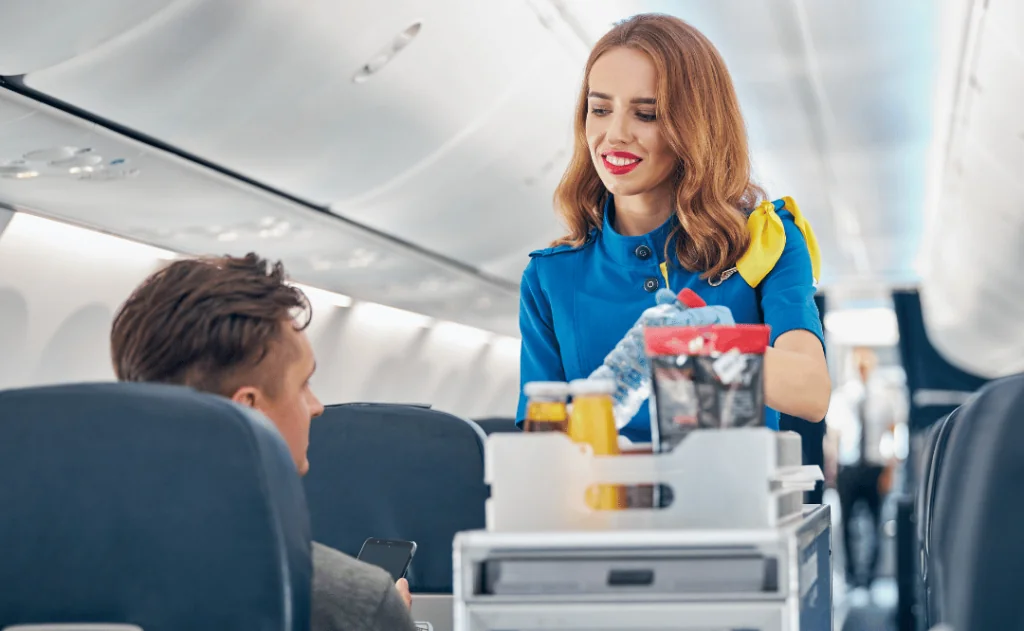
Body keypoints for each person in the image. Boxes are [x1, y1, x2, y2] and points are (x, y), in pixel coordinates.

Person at [517, 13, 831, 442]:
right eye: (600, 109)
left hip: (731, 502)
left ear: (696, 126)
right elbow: (543, 438)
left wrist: (710, 342)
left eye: (646, 114)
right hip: (601, 504)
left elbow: (811, 393)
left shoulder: (762, 244)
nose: (615, 134)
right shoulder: (550, 277)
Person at [109, 253, 416, 631]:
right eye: (303, 384)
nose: (316, 407)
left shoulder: (52, 572)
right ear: (249, 412)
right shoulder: (349, 598)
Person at [825, 346, 898, 590]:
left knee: (876, 523)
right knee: (845, 525)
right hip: (849, 469)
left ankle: (871, 577)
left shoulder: (884, 398)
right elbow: (834, 438)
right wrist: (832, 470)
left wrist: (890, 470)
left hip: (874, 467)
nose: (861, 368)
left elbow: (893, 435)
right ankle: (852, 577)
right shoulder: (841, 398)